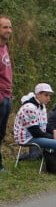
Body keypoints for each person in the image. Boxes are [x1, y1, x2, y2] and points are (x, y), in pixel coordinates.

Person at [0, 16, 13, 172]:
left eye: (10, 27)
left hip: (7, 96)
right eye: (5, 27)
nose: (8, 30)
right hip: (2, 97)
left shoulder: (5, 47)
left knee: (1, 133)